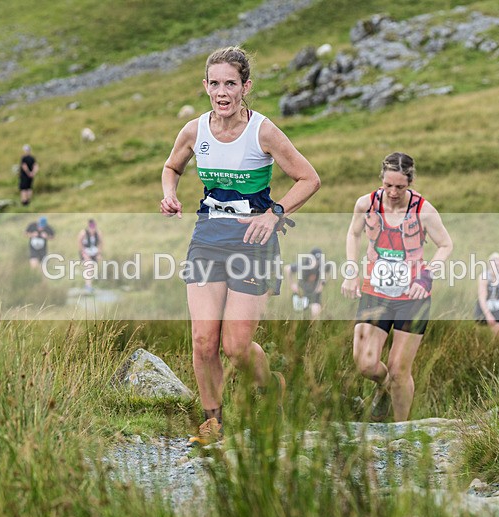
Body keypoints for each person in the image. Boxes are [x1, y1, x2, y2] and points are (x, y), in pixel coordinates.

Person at [160, 46, 320, 445]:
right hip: (208, 238)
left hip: (252, 242)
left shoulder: (262, 131)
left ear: (245, 86)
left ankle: (272, 387)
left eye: (230, 83)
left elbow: (309, 178)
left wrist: (275, 212)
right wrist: (170, 194)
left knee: (235, 346)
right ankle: (213, 422)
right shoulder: (195, 130)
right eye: (214, 84)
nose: (222, 92)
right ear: (205, 86)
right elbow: (172, 166)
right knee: (202, 340)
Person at [341, 152, 453, 422]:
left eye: (400, 187)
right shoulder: (366, 204)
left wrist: (426, 275)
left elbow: (446, 245)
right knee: (365, 363)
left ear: (410, 183)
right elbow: (353, 233)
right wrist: (351, 271)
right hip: (375, 292)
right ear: (381, 181)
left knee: (400, 370)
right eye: (388, 186)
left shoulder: (423, 211)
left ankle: (401, 431)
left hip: (412, 298)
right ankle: (383, 386)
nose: (392, 192)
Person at [285, 247, 329, 320]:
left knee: (315, 310)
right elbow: (287, 268)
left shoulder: (322, 265)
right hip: (302, 293)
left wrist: (322, 283)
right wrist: (292, 284)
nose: (317, 262)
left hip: (315, 293)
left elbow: (328, 270)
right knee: (299, 314)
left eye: (318, 260)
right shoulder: (303, 265)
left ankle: (313, 329)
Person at [474, 252, 499, 336]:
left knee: (498, 333)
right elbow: (482, 298)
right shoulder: (484, 277)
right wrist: (488, 315)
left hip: (497, 305)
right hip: (484, 306)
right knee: (481, 334)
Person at [77, 218, 103, 292]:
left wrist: (99, 253)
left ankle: (88, 284)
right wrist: (84, 253)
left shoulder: (98, 233)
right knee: (89, 266)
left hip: (94, 252)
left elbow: (101, 243)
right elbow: (79, 242)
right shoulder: (83, 233)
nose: (93, 229)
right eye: (91, 227)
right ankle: (88, 286)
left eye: (94, 227)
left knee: (93, 269)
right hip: (85, 252)